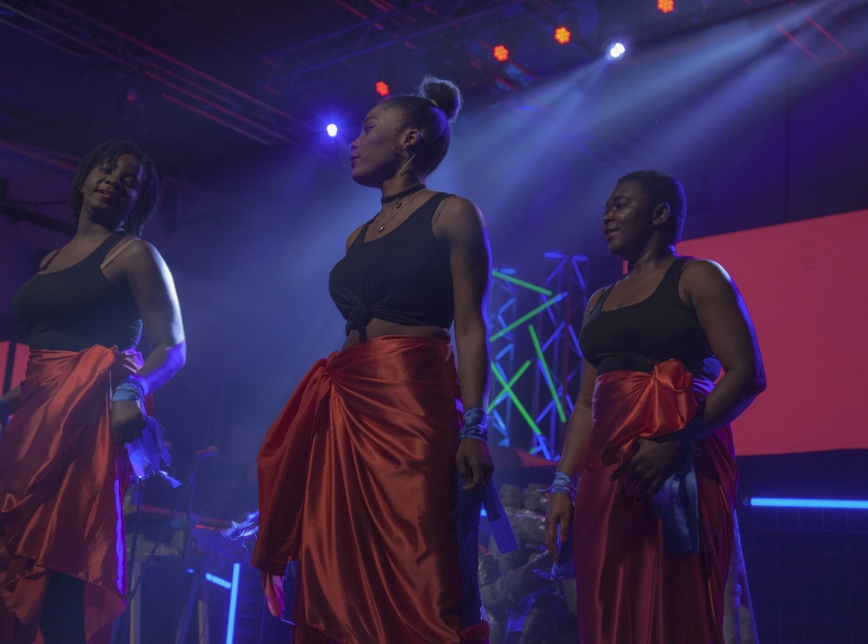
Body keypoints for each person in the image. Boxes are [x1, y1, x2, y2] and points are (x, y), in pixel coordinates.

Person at [250, 76, 495, 643]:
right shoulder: (356, 237)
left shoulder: (452, 214)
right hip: (347, 406)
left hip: (413, 400)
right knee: (336, 561)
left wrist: (475, 423)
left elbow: (471, 325)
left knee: (418, 554)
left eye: (367, 129)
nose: (353, 142)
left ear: (409, 140)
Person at [0, 141, 186, 644]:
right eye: (107, 170)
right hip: (34, 421)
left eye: (131, 180)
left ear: (140, 201)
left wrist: (132, 388)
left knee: (58, 561)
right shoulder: (50, 260)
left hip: (86, 421)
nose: (115, 180)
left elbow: (172, 347)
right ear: (84, 180)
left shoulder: (135, 254)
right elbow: (48, 367)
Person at [544, 170, 766, 644]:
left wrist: (675, 441)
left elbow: (747, 373)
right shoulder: (599, 301)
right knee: (607, 593)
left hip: (683, 461)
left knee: (677, 596)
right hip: (610, 469)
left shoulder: (699, 276)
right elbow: (586, 403)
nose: (607, 216)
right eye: (606, 207)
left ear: (661, 214)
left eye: (621, 204)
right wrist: (564, 482)